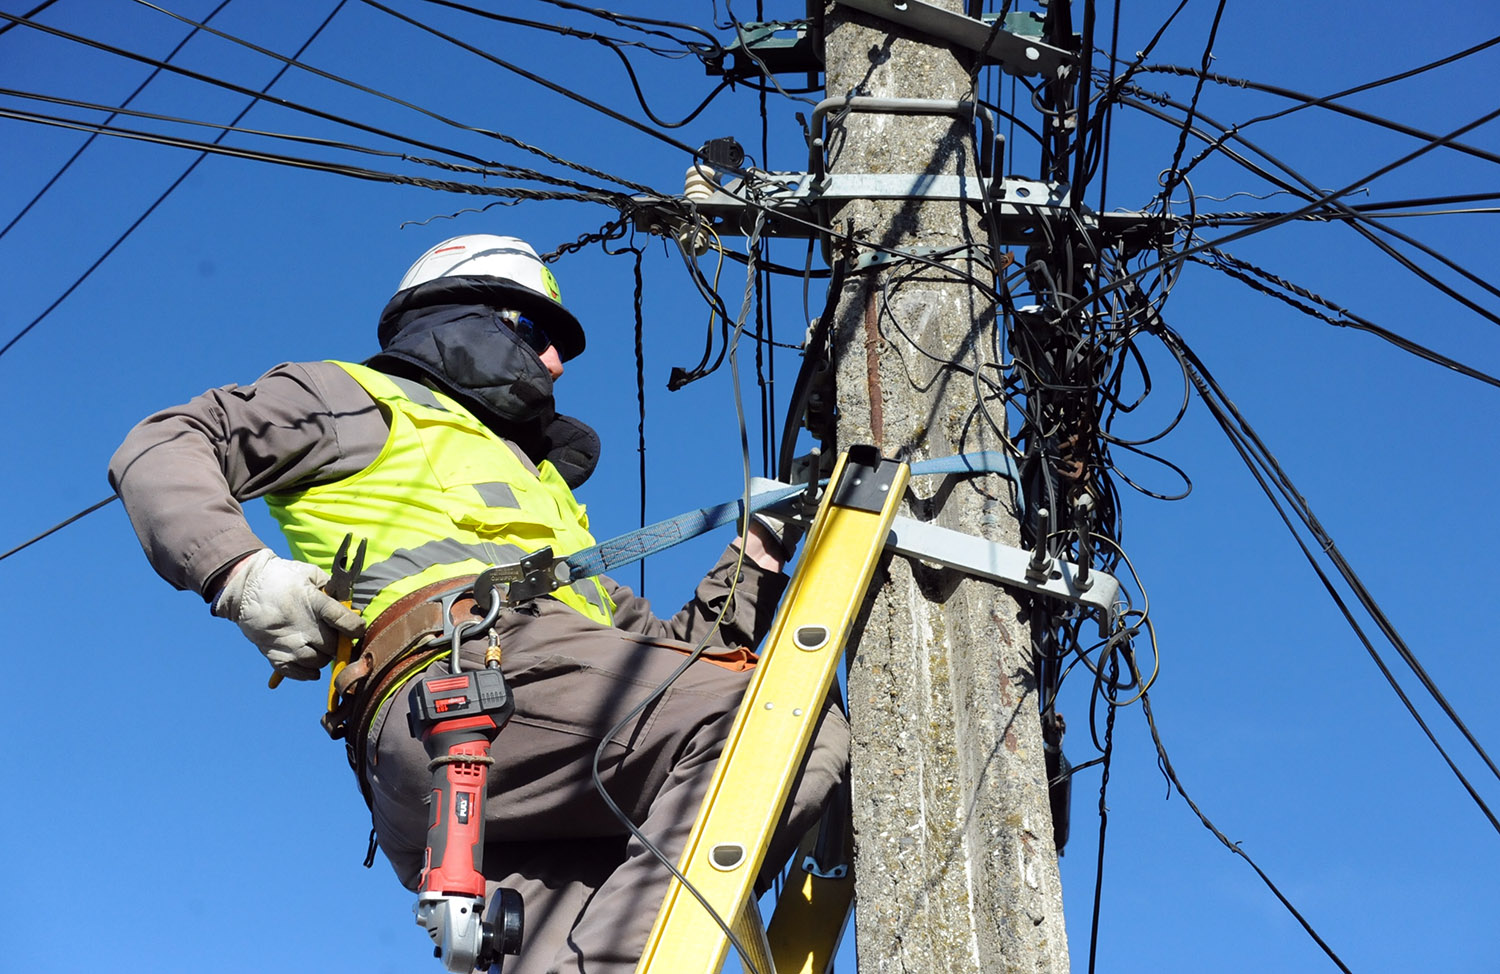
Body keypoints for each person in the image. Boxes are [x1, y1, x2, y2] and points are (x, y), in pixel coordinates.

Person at [108, 234, 849, 974]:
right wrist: (242, 576)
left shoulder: (552, 505)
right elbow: (166, 442)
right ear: (459, 317)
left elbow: (674, 664)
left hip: (516, 745)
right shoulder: (359, 399)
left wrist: (758, 549)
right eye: (538, 334)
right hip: (465, 687)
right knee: (780, 720)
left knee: (597, 932)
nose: (557, 364)